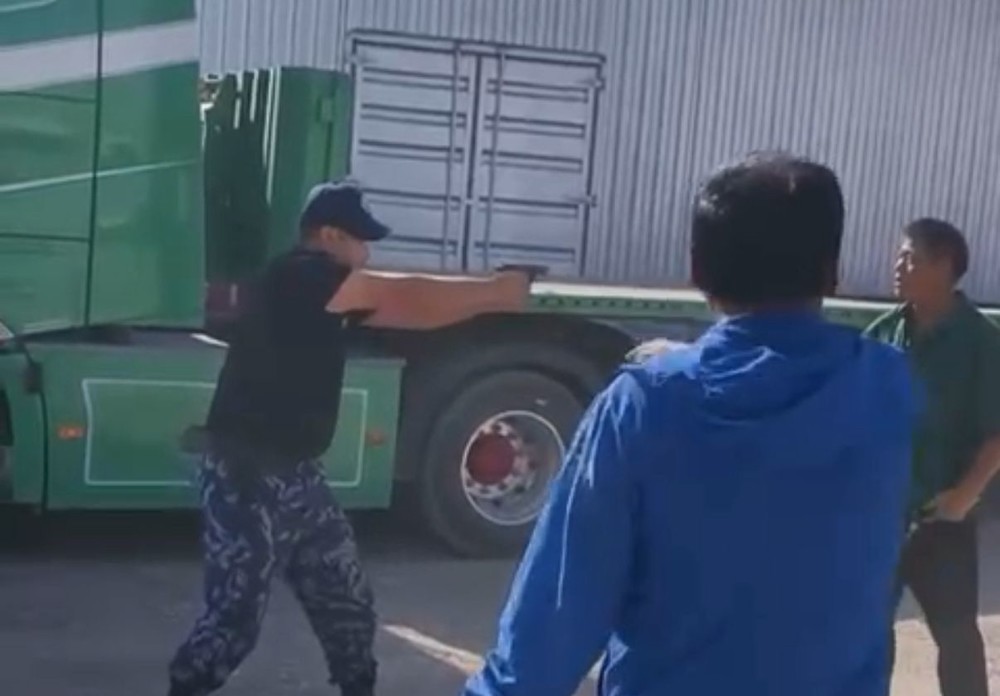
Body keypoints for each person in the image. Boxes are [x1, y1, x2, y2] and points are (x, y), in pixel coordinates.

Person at [462, 153, 919, 696]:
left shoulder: (645, 407)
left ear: (698, 269)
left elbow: (551, 625)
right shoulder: (887, 387)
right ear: (832, 270)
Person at [168, 181, 532, 696]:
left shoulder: (323, 289)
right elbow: (399, 295)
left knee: (347, 605)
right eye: (361, 241)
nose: (366, 253)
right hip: (244, 477)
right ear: (330, 235)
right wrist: (497, 293)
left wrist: (493, 293)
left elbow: (413, 309)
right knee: (235, 618)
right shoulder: (299, 275)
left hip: (297, 477)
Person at [865, 218, 1000, 696]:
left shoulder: (980, 342)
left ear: (944, 267)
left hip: (942, 522)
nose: (898, 266)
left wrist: (962, 497)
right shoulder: (884, 333)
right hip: (880, 519)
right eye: (900, 256)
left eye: (911, 258)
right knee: (867, 635)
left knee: (956, 637)